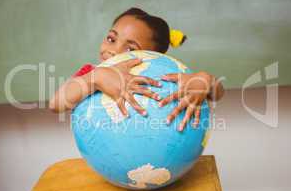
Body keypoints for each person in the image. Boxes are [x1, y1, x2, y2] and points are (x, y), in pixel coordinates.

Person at [49, 7, 224, 131]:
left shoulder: (163, 79)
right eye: (111, 39)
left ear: (153, 57)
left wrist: (204, 80)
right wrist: (95, 78)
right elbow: (56, 104)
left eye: (130, 49)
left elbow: (217, 93)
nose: (113, 50)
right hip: (108, 163)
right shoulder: (91, 72)